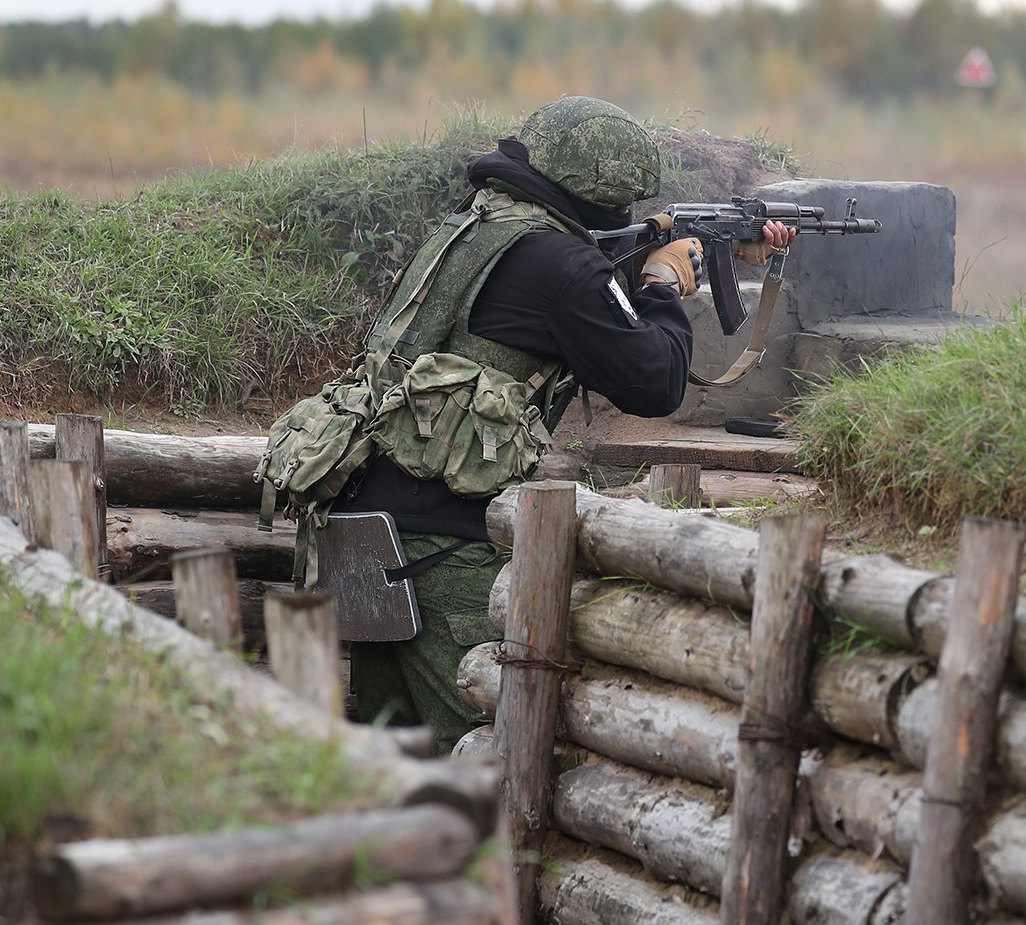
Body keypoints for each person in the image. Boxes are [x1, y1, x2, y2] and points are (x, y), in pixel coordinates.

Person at [298, 95, 794, 752]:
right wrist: (664, 285)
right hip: (443, 555)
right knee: (488, 772)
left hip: (363, 531)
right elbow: (655, 382)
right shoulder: (564, 267)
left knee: (399, 773)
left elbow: (565, 304)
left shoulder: (476, 229)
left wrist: (703, 257)